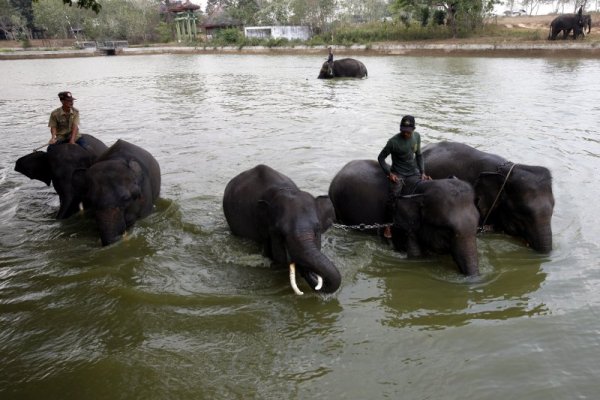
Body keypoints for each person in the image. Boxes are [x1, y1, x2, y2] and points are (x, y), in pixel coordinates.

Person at [377, 115, 431, 238]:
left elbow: (419, 156)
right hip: (399, 173)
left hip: (414, 171)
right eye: (403, 130)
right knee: (393, 198)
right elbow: (381, 158)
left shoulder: (416, 137)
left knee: (427, 189)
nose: (405, 133)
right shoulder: (393, 142)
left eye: (408, 131)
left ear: (413, 129)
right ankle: (388, 225)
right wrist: (389, 173)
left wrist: (422, 172)